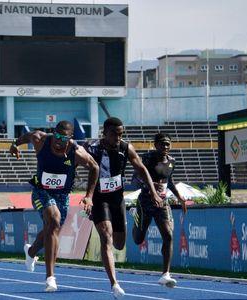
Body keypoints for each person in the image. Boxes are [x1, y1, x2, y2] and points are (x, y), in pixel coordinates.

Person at [9, 120, 99, 292]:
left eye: (63, 138)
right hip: (41, 191)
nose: (58, 141)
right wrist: (14, 144)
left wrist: (89, 196)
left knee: (53, 228)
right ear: (53, 133)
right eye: (56, 136)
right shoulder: (41, 140)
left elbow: (95, 167)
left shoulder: (77, 152)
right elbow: (27, 136)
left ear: (70, 138)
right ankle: (50, 278)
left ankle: (31, 252)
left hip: (63, 196)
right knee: (54, 219)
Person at [84, 117, 163, 298]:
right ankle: (114, 284)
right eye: (114, 134)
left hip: (117, 199)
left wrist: (153, 192)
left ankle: (137, 224)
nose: (118, 138)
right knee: (106, 236)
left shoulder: (126, 148)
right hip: (99, 199)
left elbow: (142, 169)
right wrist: (88, 197)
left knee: (119, 244)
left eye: (121, 134)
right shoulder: (93, 147)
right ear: (105, 133)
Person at [131, 132, 187, 288]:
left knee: (168, 235)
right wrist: (149, 185)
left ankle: (165, 274)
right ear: (155, 145)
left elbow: (169, 182)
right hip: (146, 201)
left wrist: (180, 197)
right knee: (138, 239)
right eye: (162, 143)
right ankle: (135, 216)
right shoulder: (148, 158)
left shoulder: (172, 161)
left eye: (168, 144)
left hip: (162, 202)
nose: (166, 147)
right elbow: (135, 179)